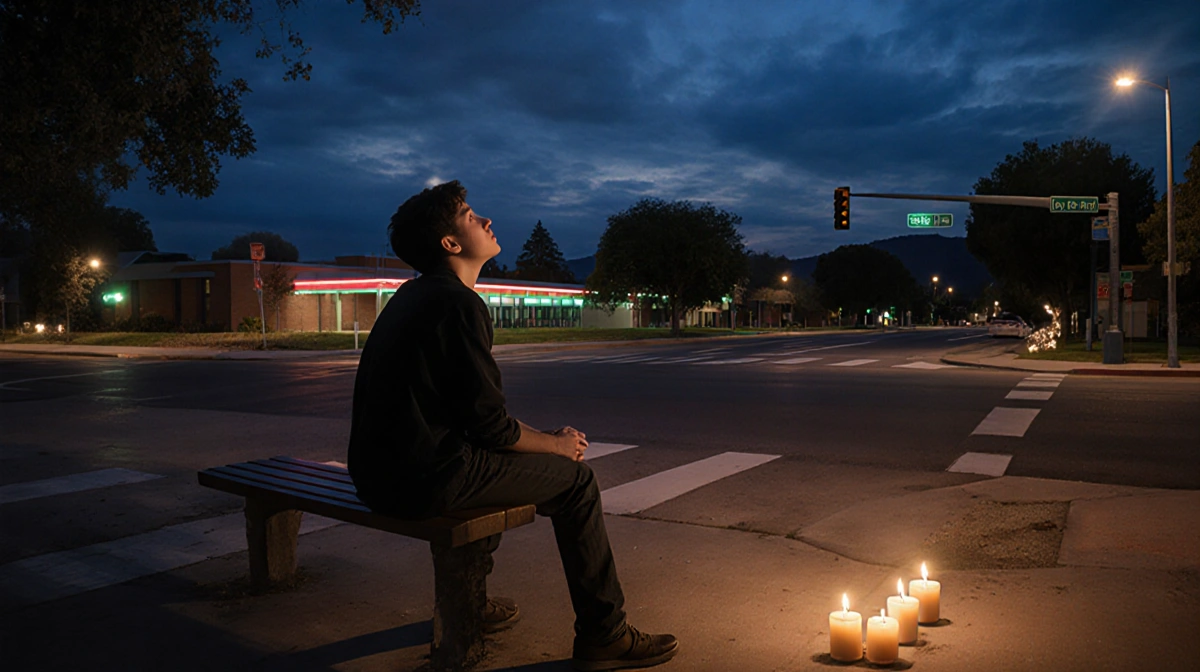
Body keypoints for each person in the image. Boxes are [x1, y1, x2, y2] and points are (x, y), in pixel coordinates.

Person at [347, 181, 678, 671]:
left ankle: (472, 604)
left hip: (379, 476)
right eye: (469, 215)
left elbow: (475, 422)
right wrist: (558, 446)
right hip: (425, 480)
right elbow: (490, 427)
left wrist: (540, 444)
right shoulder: (458, 305)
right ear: (450, 244)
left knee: (507, 462)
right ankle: (604, 634)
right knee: (578, 483)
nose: (486, 221)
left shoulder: (412, 295)